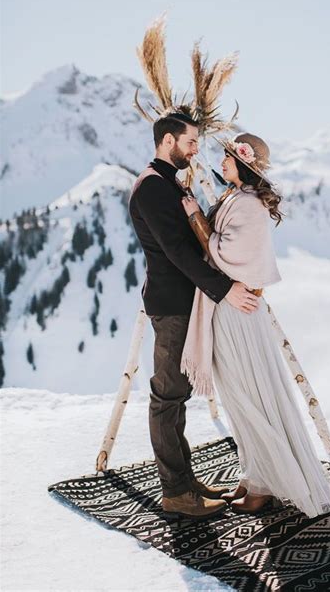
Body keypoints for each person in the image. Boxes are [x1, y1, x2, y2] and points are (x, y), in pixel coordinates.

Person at [181, 132, 330, 517]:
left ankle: (267, 484)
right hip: (229, 307)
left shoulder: (249, 206)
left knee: (247, 394)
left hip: (235, 313)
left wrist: (193, 216)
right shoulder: (236, 198)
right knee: (239, 395)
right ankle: (257, 475)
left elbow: (224, 255)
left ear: (243, 164)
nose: (221, 162)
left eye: (227, 157)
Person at [128, 111, 261, 521]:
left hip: (184, 303)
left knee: (178, 396)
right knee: (167, 397)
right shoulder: (152, 187)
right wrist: (225, 290)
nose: (195, 150)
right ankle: (175, 493)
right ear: (168, 141)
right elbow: (178, 252)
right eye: (190, 142)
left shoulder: (167, 182)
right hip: (172, 306)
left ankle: (185, 481)